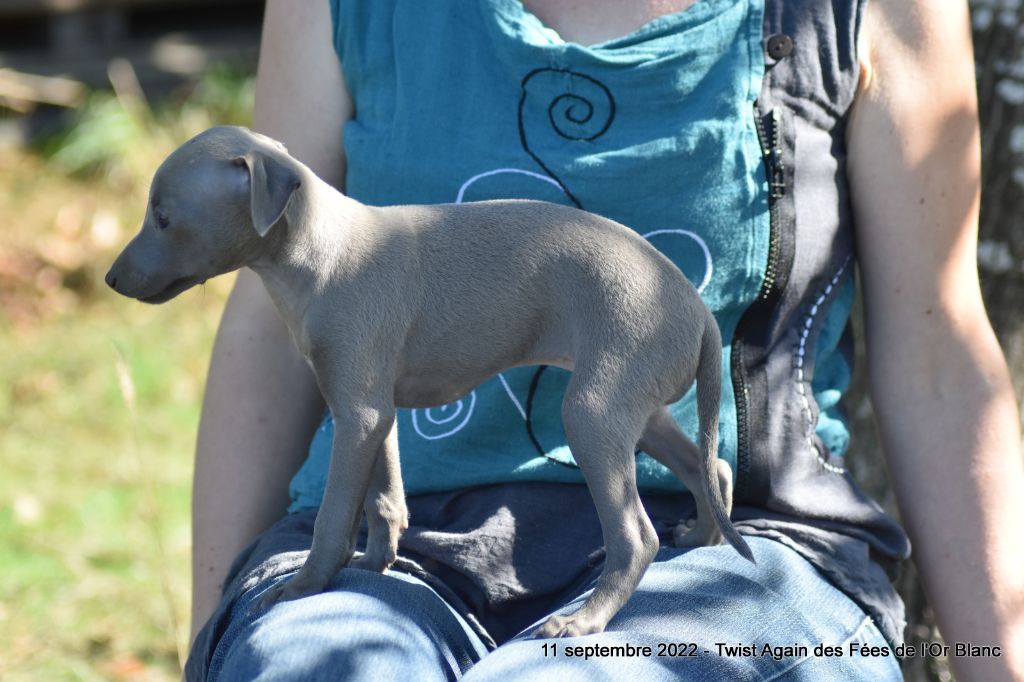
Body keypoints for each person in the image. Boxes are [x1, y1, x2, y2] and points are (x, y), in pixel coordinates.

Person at [185, 0, 1024, 680]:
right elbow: (269, 326)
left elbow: (937, 356)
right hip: (403, 564)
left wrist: (999, 662)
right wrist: (220, 637)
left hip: (745, 559)